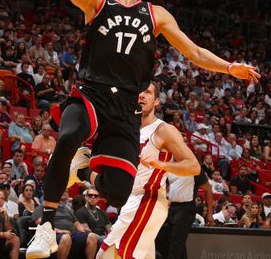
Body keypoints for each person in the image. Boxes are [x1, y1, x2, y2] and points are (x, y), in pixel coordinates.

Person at [25, 0, 259, 259]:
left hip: (124, 107)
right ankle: (45, 225)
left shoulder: (156, 14)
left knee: (119, 191)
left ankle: (84, 171)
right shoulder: (97, 1)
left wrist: (229, 67)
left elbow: (194, 53)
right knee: (69, 133)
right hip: (92, 92)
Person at [86, 83, 200, 259]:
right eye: (138, 91)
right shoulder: (126, 129)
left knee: (105, 256)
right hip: (129, 201)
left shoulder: (163, 130)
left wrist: (162, 165)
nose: (141, 95)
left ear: (156, 101)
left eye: (147, 92)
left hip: (148, 200)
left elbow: (193, 166)